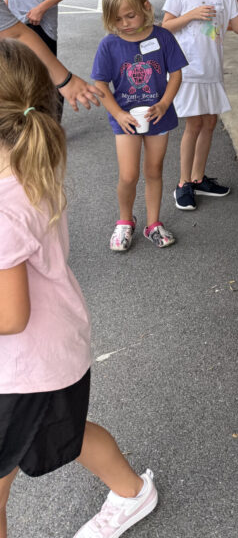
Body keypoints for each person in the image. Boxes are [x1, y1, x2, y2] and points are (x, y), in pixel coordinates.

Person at [0, 39, 158, 538]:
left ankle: (134, 492)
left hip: (25, 367)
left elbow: (10, 316)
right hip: (50, 355)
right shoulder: (27, 167)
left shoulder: (5, 206)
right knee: (60, 436)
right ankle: (133, 491)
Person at [92, 0, 187, 251]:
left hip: (159, 117)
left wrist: (165, 103)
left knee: (154, 170)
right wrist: (119, 114)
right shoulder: (109, 45)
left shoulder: (163, 37)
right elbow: (100, 85)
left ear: (145, 7)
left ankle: (153, 224)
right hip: (126, 120)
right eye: (117, 19)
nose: (124, 24)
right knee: (129, 175)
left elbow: (176, 73)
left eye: (130, 16)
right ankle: (125, 221)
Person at [161, 0, 238, 210]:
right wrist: (191, 15)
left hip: (213, 70)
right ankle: (183, 183)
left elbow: (236, 26)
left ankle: (198, 178)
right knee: (194, 125)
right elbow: (165, 26)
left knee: (209, 124)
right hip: (188, 70)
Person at [0, 1, 103, 111]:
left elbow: (14, 33)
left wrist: (65, 80)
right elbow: (14, 33)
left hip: (40, 25)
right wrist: (65, 80)